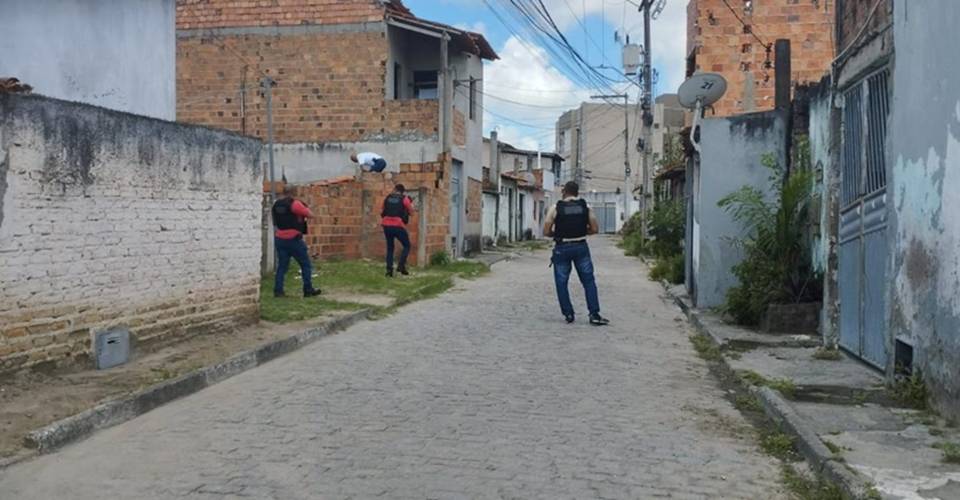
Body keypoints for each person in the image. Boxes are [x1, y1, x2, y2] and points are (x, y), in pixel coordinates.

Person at [543, 181, 610, 326]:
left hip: (562, 248)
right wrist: (580, 232)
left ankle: (568, 314)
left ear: (564, 192)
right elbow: (594, 229)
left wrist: (559, 233)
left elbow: (546, 231)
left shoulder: (555, 208)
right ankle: (594, 314)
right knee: (588, 282)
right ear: (577, 192)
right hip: (581, 247)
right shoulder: (586, 207)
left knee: (561, 283)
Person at [272, 185, 321, 298]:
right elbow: (310, 215)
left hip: (280, 238)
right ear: (295, 192)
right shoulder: (295, 204)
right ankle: (308, 290)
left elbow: (275, 221)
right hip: (294, 239)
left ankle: (278, 291)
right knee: (305, 265)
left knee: (282, 267)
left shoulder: (276, 204)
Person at [381, 184, 414, 277]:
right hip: (398, 225)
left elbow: (382, 211)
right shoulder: (404, 199)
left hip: (386, 225)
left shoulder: (387, 197)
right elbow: (412, 212)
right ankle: (400, 266)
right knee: (407, 245)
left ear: (395, 189)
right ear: (403, 191)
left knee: (390, 248)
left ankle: (389, 271)